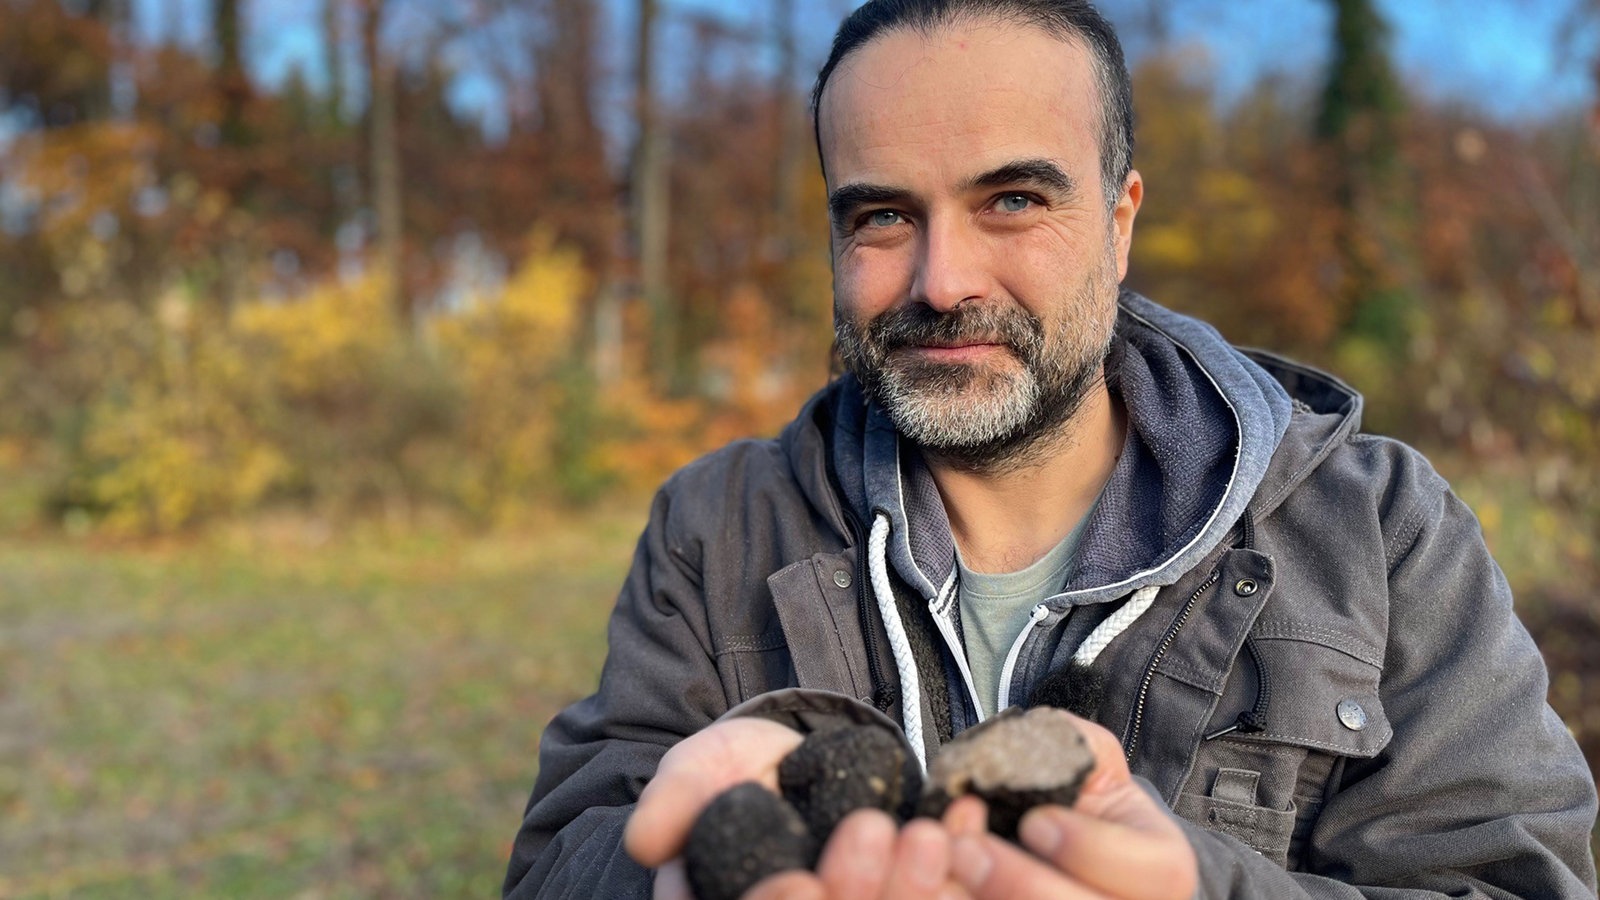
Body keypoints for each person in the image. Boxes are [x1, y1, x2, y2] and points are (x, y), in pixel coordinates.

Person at [503, 1, 1599, 897]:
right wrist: (675, 862)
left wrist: (1200, 893)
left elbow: (1514, 883)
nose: (942, 281)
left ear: (1119, 225)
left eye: (1013, 199)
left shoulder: (1378, 527)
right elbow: (557, 865)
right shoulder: (715, 526)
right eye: (881, 217)